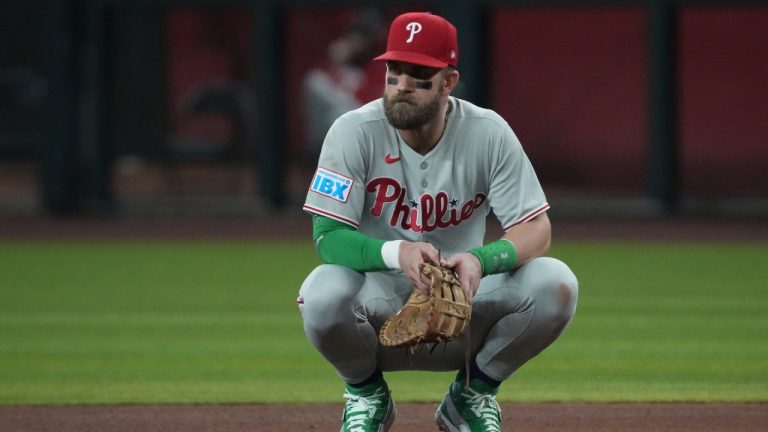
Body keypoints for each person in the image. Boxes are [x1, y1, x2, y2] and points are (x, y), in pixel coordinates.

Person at [297, 11, 578, 432]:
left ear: (449, 81)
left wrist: (482, 260)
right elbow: (328, 238)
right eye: (394, 71)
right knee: (320, 292)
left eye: (419, 75)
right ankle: (367, 394)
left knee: (556, 283)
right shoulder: (352, 131)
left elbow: (536, 230)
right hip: (378, 311)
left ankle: (472, 394)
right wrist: (398, 252)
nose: (402, 86)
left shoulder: (489, 133)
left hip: (463, 309)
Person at [302, 10, 384, 164]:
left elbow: (370, 102)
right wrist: (337, 64)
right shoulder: (341, 66)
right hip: (341, 132)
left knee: (341, 113)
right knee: (316, 82)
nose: (357, 42)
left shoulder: (379, 66)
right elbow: (316, 83)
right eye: (354, 37)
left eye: (362, 38)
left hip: (370, 130)